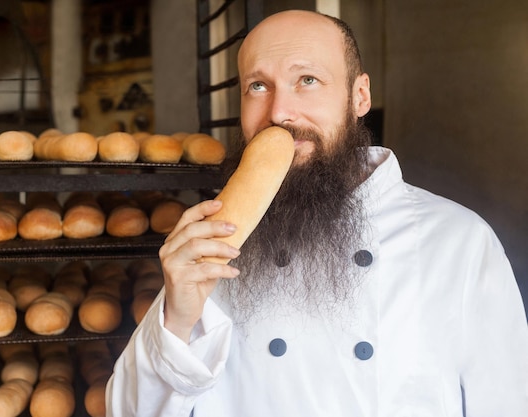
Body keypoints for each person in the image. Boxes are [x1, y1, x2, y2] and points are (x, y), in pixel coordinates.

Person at [106, 10, 528, 416]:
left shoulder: (459, 242)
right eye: (257, 86)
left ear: (359, 96)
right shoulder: (215, 243)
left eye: (307, 80)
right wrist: (177, 319)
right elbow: (126, 412)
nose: (278, 113)